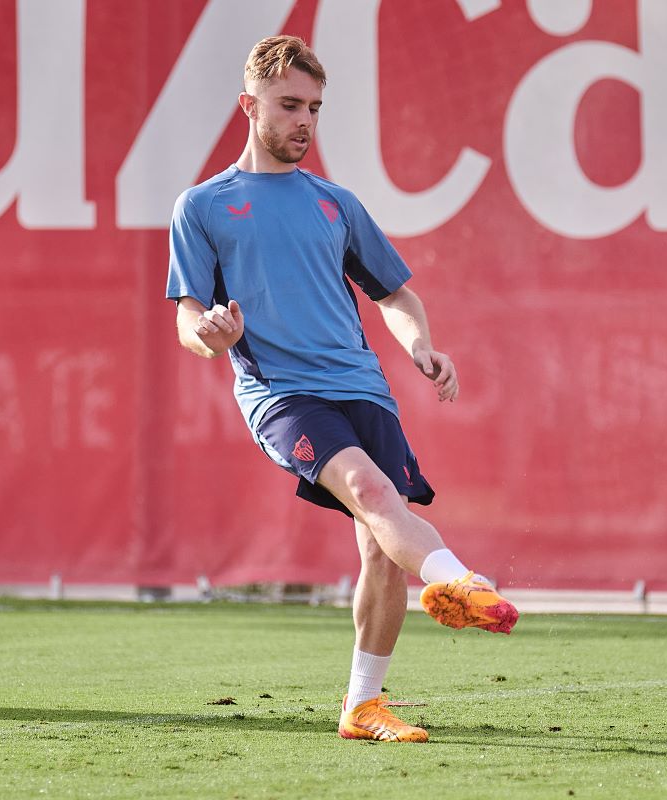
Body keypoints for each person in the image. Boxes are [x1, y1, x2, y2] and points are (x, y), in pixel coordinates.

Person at [165, 35, 518, 742]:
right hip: (283, 395)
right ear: (249, 106)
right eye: (289, 105)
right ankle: (461, 580)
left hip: (364, 388)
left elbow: (396, 294)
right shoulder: (203, 205)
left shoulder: (336, 204)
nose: (304, 121)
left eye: (314, 108)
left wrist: (419, 345)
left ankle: (363, 706)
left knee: (382, 550)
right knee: (369, 489)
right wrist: (210, 334)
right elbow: (187, 317)